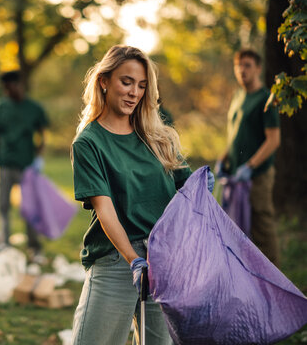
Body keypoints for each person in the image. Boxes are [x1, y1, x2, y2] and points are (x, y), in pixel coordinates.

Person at [70, 45, 214, 345]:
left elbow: (185, 192)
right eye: (127, 81)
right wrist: (133, 259)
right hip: (116, 259)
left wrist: (202, 185)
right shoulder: (89, 142)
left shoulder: (157, 137)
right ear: (104, 81)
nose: (134, 92)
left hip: (164, 260)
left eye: (142, 85)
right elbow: (105, 210)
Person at [216, 49, 281, 266]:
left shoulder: (266, 99)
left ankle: (276, 281)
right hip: (236, 177)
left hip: (257, 176)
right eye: (238, 65)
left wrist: (250, 166)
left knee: (262, 226)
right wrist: (223, 158)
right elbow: (235, 134)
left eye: (247, 65)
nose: (242, 70)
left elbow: (273, 140)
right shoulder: (238, 95)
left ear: (258, 68)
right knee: (239, 228)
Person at [0, 70, 49, 262]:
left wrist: (38, 157)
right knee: (3, 206)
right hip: (4, 165)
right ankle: (4, 245)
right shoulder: (1, 107)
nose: (7, 91)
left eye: (10, 87)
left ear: (18, 85)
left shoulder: (33, 108)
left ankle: (35, 247)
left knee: (29, 209)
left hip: (26, 166)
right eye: (4, 88)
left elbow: (42, 135)